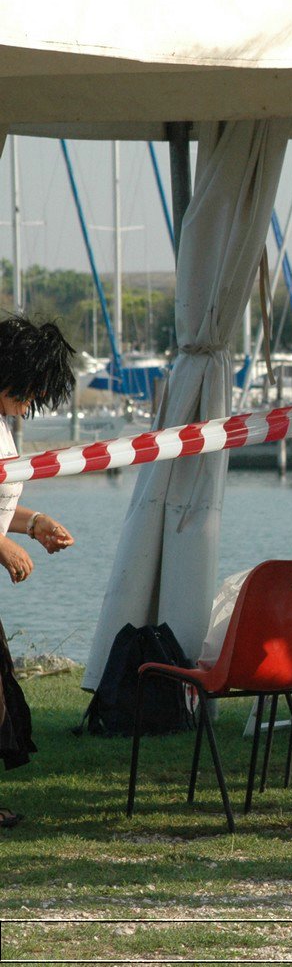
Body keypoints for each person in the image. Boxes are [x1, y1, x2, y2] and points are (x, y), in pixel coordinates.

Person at [0, 316, 78, 828]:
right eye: (31, 391)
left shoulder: (3, 422)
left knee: (4, 695)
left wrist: (33, 525)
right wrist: (1, 544)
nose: (33, 403)